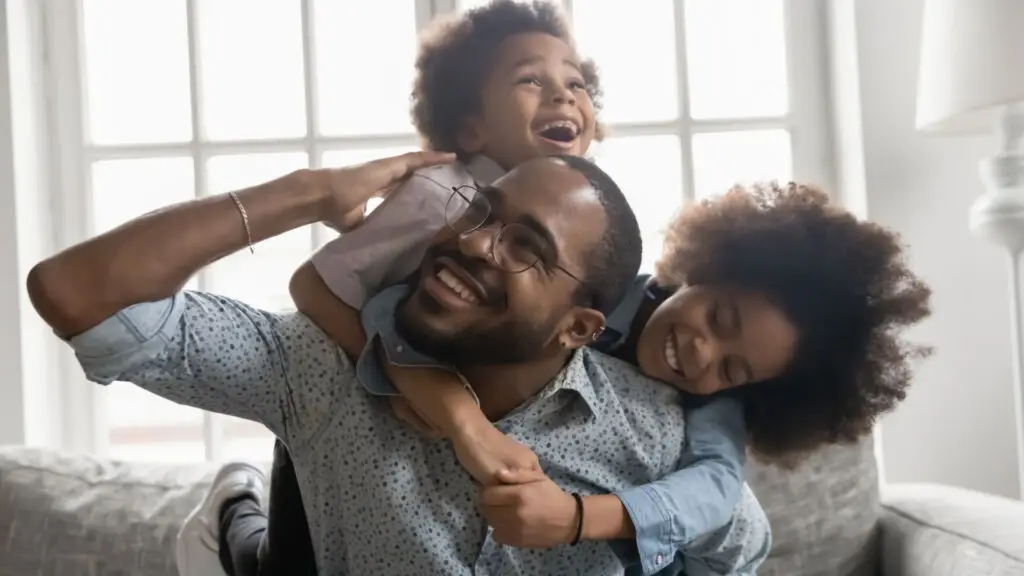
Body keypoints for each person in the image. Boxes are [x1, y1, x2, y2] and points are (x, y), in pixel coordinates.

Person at [192, 2, 757, 575]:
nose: (562, 97)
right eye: (531, 80)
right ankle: (231, 508)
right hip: (351, 408)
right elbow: (313, 284)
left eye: (576, 84)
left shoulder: (583, 243)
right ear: (470, 128)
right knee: (279, 564)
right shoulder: (439, 195)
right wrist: (406, 380)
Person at [27, 151, 772, 575]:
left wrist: (589, 523)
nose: (478, 242)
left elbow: (736, 550)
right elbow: (77, 295)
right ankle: (235, 516)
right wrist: (307, 192)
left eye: (527, 248)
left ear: (581, 327)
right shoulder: (317, 369)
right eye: (481, 211)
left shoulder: (656, 437)